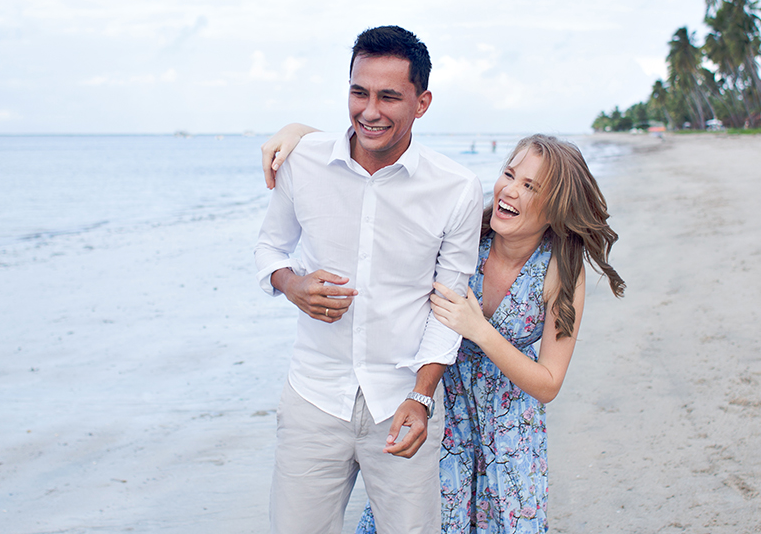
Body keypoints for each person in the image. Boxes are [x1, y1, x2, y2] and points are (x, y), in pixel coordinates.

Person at [264, 130, 625, 533]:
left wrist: (480, 330)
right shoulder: (468, 230)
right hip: (438, 409)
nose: (510, 191)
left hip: (509, 435)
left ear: (557, 206)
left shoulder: (559, 270)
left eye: (531, 187)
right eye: (509, 174)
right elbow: (396, 162)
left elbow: (548, 384)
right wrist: (301, 134)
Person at [255, 26, 484, 534]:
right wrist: (292, 286)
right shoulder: (303, 162)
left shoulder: (457, 189)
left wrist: (422, 396)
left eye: (389, 96)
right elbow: (269, 248)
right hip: (313, 395)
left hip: (403, 402)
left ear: (421, 103)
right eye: (359, 92)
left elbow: (450, 306)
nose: (369, 110)